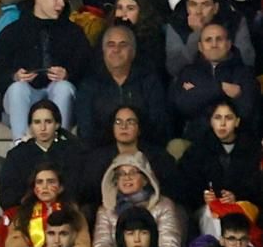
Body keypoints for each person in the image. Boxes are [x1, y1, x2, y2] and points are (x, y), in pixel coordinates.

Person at [0, 0, 91, 141]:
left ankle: (60, 143)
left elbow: (88, 69)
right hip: (25, 95)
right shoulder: (14, 31)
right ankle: (21, 143)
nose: (61, 3)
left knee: (63, 87)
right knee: (18, 89)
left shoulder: (73, 33)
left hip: (56, 92)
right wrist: (14, 76)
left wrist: (68, 75)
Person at [74, 25, 170, 148]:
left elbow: (159, 125)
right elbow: (86, 129)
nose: (116, 50)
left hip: (143, 151)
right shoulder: (89, 84)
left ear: (133, 51)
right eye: (111, 45)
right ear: (103, 51)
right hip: (100, 152)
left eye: (123, 45)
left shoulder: (149, 81)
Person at [79, 104, 188, 211]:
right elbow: (88, 194)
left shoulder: (158, 156)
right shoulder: (97, 158)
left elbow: (175, 191)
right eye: (118, 122)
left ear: (139, 128)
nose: (123, 127)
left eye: (130, 122)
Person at [177, 99, 263, 228]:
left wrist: (237, 196)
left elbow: (257, 185)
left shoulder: (252, 148)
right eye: (217, 118)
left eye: (228, 118)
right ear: (211, 121)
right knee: (211, 216)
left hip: (243, 207)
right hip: (207, 209)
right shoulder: (198, 149)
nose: (222, 123)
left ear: (237, 122)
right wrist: (203, 196)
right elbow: (185, 184)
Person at [90, 153, 183, 247]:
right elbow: (101, 246)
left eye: (133, 172)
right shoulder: (106, 209)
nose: (127, 177)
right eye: (121, 174)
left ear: (145, 179)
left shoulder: (163, 205)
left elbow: (169, 246)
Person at [172, 23, 260, 142]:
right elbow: (183, 105)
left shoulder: (245, 73)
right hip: (197, 141)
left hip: (237, 141)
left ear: (228, 44)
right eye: (208, 40)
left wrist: (199, 92)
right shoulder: (188, 72)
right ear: (200, 46)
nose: (214, 44)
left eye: (219, 39)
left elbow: (246, 109)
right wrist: (220, 88)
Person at [0, 163, 91, 247]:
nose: (44, 187)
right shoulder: (23, 213)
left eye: (51, 182)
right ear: (34, 188)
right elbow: (15, 243)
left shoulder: (73, 212)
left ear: (60, 188)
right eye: (39, 182)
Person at [0, 100, 81, 211]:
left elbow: (81, 190)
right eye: (37, 122)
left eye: (48, 122)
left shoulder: (73, 152)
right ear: (30, 126)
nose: (42, 128)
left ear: (57, 124)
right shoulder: (17, 155)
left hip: (66, 214)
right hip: (27, 215)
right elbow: (7, 196)